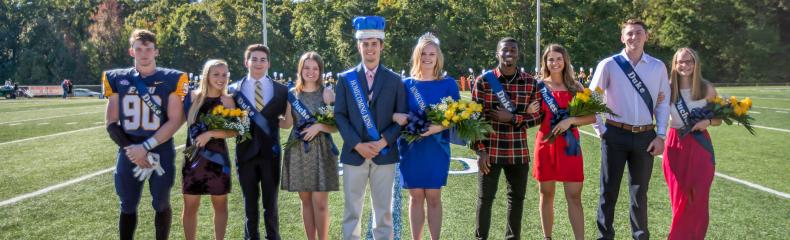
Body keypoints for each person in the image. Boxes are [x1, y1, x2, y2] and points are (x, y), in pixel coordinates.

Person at [102, 29, 188, 240]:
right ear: (132, 52)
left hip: (160, 149)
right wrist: (133, 151)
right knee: (127, 204)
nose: (144, 53)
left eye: (148, 49)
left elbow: (176, 120)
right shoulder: (117, 78)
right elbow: (111, 123)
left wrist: (145, 147)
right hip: (128, 149)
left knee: (161, 202)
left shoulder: (172, 78)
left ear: (156, 51)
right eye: (139, 49)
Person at [589, 19, 670, 240]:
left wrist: (661, 135)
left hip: (646, 136)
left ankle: (640, 236)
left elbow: (663, 103)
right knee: (608, 191)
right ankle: (605, 236)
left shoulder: (658, 66)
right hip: (615, 134)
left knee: (639, 193)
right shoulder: (609, 64)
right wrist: (601, 130)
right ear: (622, 38)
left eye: (638, 33)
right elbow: (592, 98)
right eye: (629, 34)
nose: (634, 37)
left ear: (646, 36)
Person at [334, 16, 407, 240]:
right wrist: (358, 144)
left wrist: (383, 141)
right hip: (354, 154)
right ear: (358, 46)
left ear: (381, 46)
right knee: (351, 213)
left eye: (374, 43)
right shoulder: (345, 79)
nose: (370, 48)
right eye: (365, 44)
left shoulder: (396, 80)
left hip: (384, 154)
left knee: (383, 213)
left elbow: (402, 119)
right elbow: (339, 115)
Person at [471, 37, 543, 240]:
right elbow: (475, 119)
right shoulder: (483, 81)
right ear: (497, 53)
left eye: (513, 49)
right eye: (504, 50)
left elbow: (538, 116)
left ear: (518, 54)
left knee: (517, 200)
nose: (509, 53)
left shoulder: (530, 82)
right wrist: (480, 150)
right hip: (490, 151)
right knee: (485, 199)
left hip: (518, 151)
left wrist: (512, 117)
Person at [393, 33, 460, 240]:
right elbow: (395, 112)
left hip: (436, 148)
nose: (428, 57)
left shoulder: (448, 84)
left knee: (433, 196)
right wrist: (397, 116)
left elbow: (458, 116)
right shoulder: (405, 84)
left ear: (438, 57)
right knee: (415, 196)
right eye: (424, 53)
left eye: (432, 53)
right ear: (417, 56)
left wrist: (438, 128)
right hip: (411, 148)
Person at [530, 44, 596, 240]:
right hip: (546, 144)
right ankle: (547, 237)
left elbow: (592, 117)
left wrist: (571, 120)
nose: (555, 63)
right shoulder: (538, 87)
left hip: (570, 146)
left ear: (565, 60)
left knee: (574, 196)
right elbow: (529, 116)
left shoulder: (576, 87)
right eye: (551, 59)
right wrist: (529, 111)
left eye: (559, 59)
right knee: (546, 193)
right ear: (545, 62)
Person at [229, 44, 291, 240]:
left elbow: (286, 123)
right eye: (254, 59)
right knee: (249, 203)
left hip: (270, 154)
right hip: (244, 154)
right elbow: (229, 122)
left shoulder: (282, 90)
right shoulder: (233, 90)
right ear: (246, 62)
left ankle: (273, 237)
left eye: (262, 59)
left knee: (270, 204)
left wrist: (287, 114)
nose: (258, 63)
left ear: (269, 63)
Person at [663, 48, 720, 240]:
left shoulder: (706, 88)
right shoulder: (667, 88)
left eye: (689, 61)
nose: (685, 65)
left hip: (700, 146)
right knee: (679, 199)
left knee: (699, 197)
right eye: (680, 62)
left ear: (696, 64)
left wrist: (708, 122)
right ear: (674, 64)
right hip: (675, 145)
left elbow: (719, 117)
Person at [281, 52, 339, 240]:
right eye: (306, 67)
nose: (310, 72)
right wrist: (266, 118)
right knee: (305, 201)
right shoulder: (292, 95)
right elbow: (288, 123)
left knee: (320, 203)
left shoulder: (328, 93)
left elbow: (337, 125)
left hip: (322, 152)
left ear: (320, 71)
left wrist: (320, 126)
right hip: (299, 151)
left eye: (315, 68)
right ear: (300, 69)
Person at [181, 59, 238, 240]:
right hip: (192, 160)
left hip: (218, 161)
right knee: (190, 207)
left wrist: (212, 133)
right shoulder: (192, 97)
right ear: (207, 75)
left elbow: (236, 130)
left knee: (220, 207)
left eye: (224, 74)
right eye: (216, 74)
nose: (221, 78)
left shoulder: (227, 100)